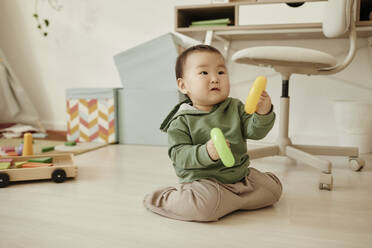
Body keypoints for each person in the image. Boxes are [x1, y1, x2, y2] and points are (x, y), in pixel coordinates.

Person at [143, 44, 282, 222]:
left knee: (273, 191)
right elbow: (179, 155)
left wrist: (262, 113)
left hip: (240, 177)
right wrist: (206, 153)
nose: (215, 79)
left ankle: (233, 200)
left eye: (221, 72)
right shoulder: (181, 120)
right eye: (204, 73)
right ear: (183, 85)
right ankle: (162, 198)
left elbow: (254, 132)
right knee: (204, 208)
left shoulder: (235, 106)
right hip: (204, 183)